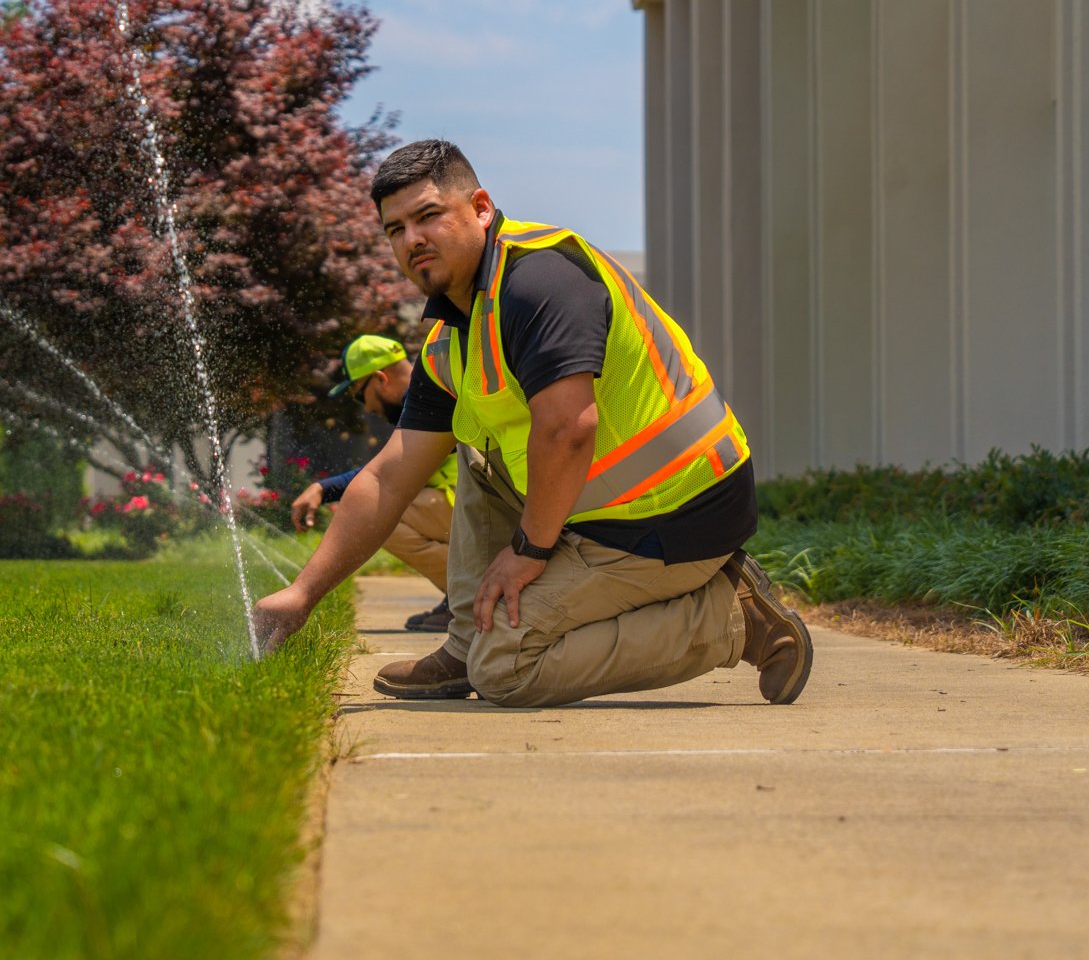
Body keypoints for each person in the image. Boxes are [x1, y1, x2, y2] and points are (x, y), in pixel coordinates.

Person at [251, 139, 813, 707]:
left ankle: (732, 614)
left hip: (681, 513)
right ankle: (465, 641)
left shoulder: (540, 282)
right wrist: (302, 594)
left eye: (428, 215)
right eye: (394, 229)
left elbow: (570, 428)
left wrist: (528, 550)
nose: (412, 239)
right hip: (609, 510)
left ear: (480, 208)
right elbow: (388, 477)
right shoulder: (451, 341)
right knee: (473, 449)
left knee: (506, 670)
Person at [290, 335, 457, 632]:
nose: (366, 408)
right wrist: (325, 488)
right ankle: (463, 594)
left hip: (484, 506)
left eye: (358, 395)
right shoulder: (437, 383)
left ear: (380, 379)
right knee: (379, 504)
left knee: (380, 510)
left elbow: (390, 474)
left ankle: (467, 597)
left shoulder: (430, 399)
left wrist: (324, 488)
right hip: (479, 504)